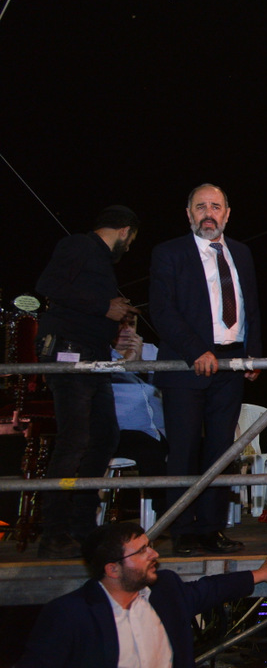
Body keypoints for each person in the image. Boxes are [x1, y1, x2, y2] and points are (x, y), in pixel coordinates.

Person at [149, 184, 261, 556]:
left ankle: (212, 528)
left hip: (231, 365)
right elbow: (162, 310)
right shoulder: (169, 253)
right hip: (186, 364)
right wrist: (197, 350)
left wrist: (253, 354)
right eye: (201, 206)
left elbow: (250, 307)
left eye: (216, 206)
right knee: (182, 450)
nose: (208, 213)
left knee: (221, 451)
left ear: (227, 214)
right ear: (188, 213)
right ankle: (182, 531)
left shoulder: (241, 253)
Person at [17, 521, 267, 668]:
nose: (155, 554)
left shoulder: (166, 590)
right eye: (142, 551)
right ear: (112, 569)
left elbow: (210, 590)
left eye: (149, 546)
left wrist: (259, 574)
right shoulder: (69, 614)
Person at [35, 205, 141, 559]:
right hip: (70, 353)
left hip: (93, 356)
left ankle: (82, 523)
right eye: (131, 240)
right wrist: (104, 306)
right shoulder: (80, 245)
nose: (128, 248)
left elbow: (91, 304)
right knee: (75, 438)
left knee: (104, 435)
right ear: (126, 232)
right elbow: (48, 285)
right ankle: (53, 530)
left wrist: (117, 313)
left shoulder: (99, 264)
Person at [109, 317, 167, 516]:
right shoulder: (98, 352)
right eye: (120, 323)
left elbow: (171, 384)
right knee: (149, 449)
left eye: (131, 324)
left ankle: (206, 516)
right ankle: (166, 515)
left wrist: (142, 364)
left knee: (199, 446)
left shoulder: (151, 350)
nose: (126, 330)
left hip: (160, 429)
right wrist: (127, 364)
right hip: (120, 431)